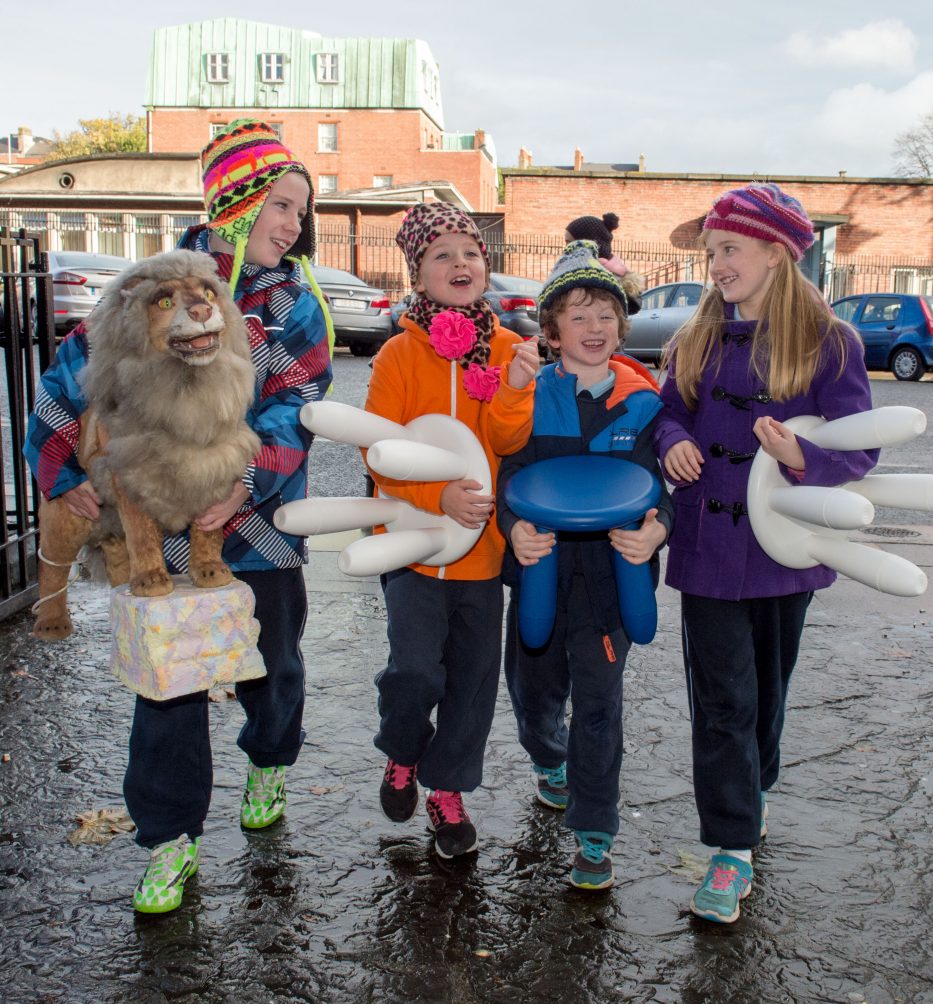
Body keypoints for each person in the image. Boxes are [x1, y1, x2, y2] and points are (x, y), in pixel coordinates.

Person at [24, 118, 333, 914]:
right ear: (234, 204)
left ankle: (269, 759)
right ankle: (170, 840)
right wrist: (65, 479)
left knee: (274, 671)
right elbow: (73, 377)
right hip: (155, 526)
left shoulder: (292, 307)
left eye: (302, 211)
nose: (294, 224)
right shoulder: (151, 288)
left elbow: (298, 409)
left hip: (257, 530)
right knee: (167, 686)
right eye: (282, 204)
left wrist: (245, 487)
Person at [656, 183, 877, 923]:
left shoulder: (830, 342)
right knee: (722, 702)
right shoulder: (695, 338)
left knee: (768, 697)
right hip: (707, 548)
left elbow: (860, 445)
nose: (715, 264)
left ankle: (754, 790)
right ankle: (729, 847)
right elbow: (668, 414)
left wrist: (801, 454)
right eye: (712, 251)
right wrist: (676, 442)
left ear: (776, 255)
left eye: (729, 250)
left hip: (785, 548)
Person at [365, 201, 540, 859]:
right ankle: (403, 749)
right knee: (413, 671)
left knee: (471, 687)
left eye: (470, 252)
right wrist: (433, 493)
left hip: (481, 554)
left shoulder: (503, 348)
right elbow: (375, 450)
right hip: (412, 547)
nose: (460, 263)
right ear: (418, 273)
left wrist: (517, 386)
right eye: (442, 254)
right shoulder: (396, 356)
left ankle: (446, 792)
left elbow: (507, 438)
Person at [497, 240, 672, 890]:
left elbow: (664, 490)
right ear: (551, 329)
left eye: (605, 314)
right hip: (540, 575)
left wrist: (655, 534)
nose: (593, 328)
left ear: (622, 325)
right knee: (533, 696)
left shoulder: (643, 402)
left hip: (609, 587)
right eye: (577, 315)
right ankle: (550, 759)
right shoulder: (532, 396)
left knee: (599, 708)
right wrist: (514, 533)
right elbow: (509, 475)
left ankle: (595, 835)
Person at [565, 213, 643, 315]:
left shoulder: (605, 279)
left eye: (570, 242)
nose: (567, 248)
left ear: (589, 244)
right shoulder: (582, 273)